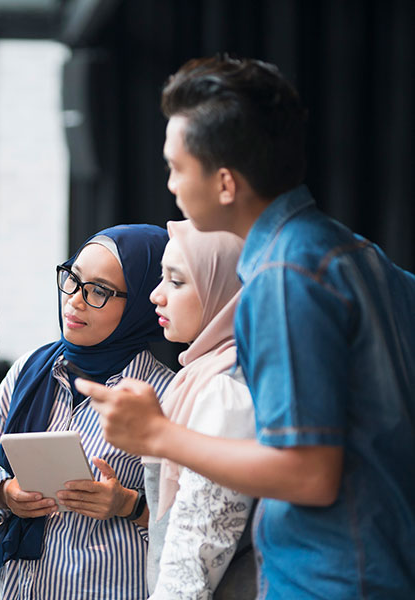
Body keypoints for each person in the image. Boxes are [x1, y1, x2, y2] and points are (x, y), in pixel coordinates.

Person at [82, 56, 415, 598]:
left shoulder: (284, 275)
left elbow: (310, 473)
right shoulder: (361, 255)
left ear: (225, 183)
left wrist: (158, 435)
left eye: (176, 167)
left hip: (327, 580)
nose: (171, 185)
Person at [0, 224, 174, 600]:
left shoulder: (166, 396)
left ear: (141, 303)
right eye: (73, 278)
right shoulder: (31, 369)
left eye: (99, 290)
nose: (75, 300)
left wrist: (128, 504)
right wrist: (5, 492)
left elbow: (197, 516)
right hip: (17, 588)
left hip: (107, 588)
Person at [144, 220, 256, 599]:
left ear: (224, 289)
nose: (157, 295)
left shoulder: (226, 388)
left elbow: (201, 543)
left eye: (176, 281)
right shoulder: (199, 376)